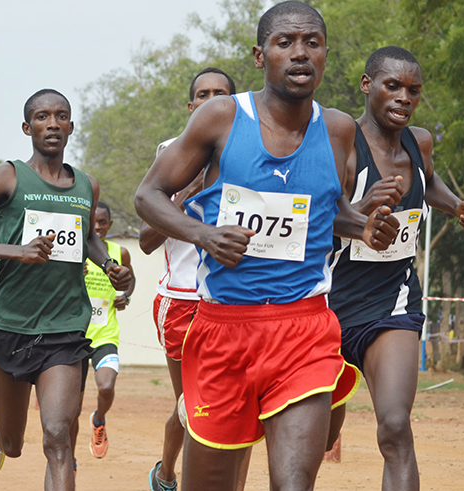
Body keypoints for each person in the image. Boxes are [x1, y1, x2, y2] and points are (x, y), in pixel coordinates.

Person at [134, 2, 401, 489]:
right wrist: (203, 235)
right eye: (285, 42)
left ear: (325, 55)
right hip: (224, 330)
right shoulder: (220, 117)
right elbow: (147, 195)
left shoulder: (338, 129)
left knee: (294, 483)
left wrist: (361, 226)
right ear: (261, 56)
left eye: (312, 43)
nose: (300, 53)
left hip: (304, 328)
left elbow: (328, 210)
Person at [0, 88, 131, 490]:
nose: (53, 124)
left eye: (61, 116)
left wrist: (111, 266)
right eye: (43, 117)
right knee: (12, 444)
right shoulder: (7, 177)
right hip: (11, 325)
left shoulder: (87, 186)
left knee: (58, 436)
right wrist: (18, 251)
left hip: (65, 328)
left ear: (71, 127)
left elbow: (89, 240)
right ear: (27, 128)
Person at [327, 46, 464, 491]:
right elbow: (317, 214)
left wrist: (458, 206)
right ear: (367, 85)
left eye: (413, 90)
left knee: (395, 427)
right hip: (327, 307)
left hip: (392, 303)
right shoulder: (343, 143)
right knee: (317, 436)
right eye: (392, 86)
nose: (404, 97)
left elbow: (427, 179)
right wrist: (364, 211)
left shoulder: (419, 142)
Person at [137, 67, 247, 491]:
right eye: (203, 94)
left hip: (234, 301)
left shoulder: (250, 151)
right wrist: (186, 193)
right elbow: (146, 240)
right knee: (193, 407)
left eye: (220, 93)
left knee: (238, 409)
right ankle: (166, 474)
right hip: (182, 301)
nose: (211, 100)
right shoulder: (173, 153)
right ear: (190, 106)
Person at [80, 200, 135, 459]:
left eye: (103, 222)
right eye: (93, 222)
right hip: (74, 336)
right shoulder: (75, 251)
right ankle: (68, 462)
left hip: (104, 335)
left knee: (106, 387)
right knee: (70, 406)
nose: (98, 227)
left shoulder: (119, 252)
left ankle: (99, 420)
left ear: (110, 225)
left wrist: (126, 296)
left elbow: (130, 278)